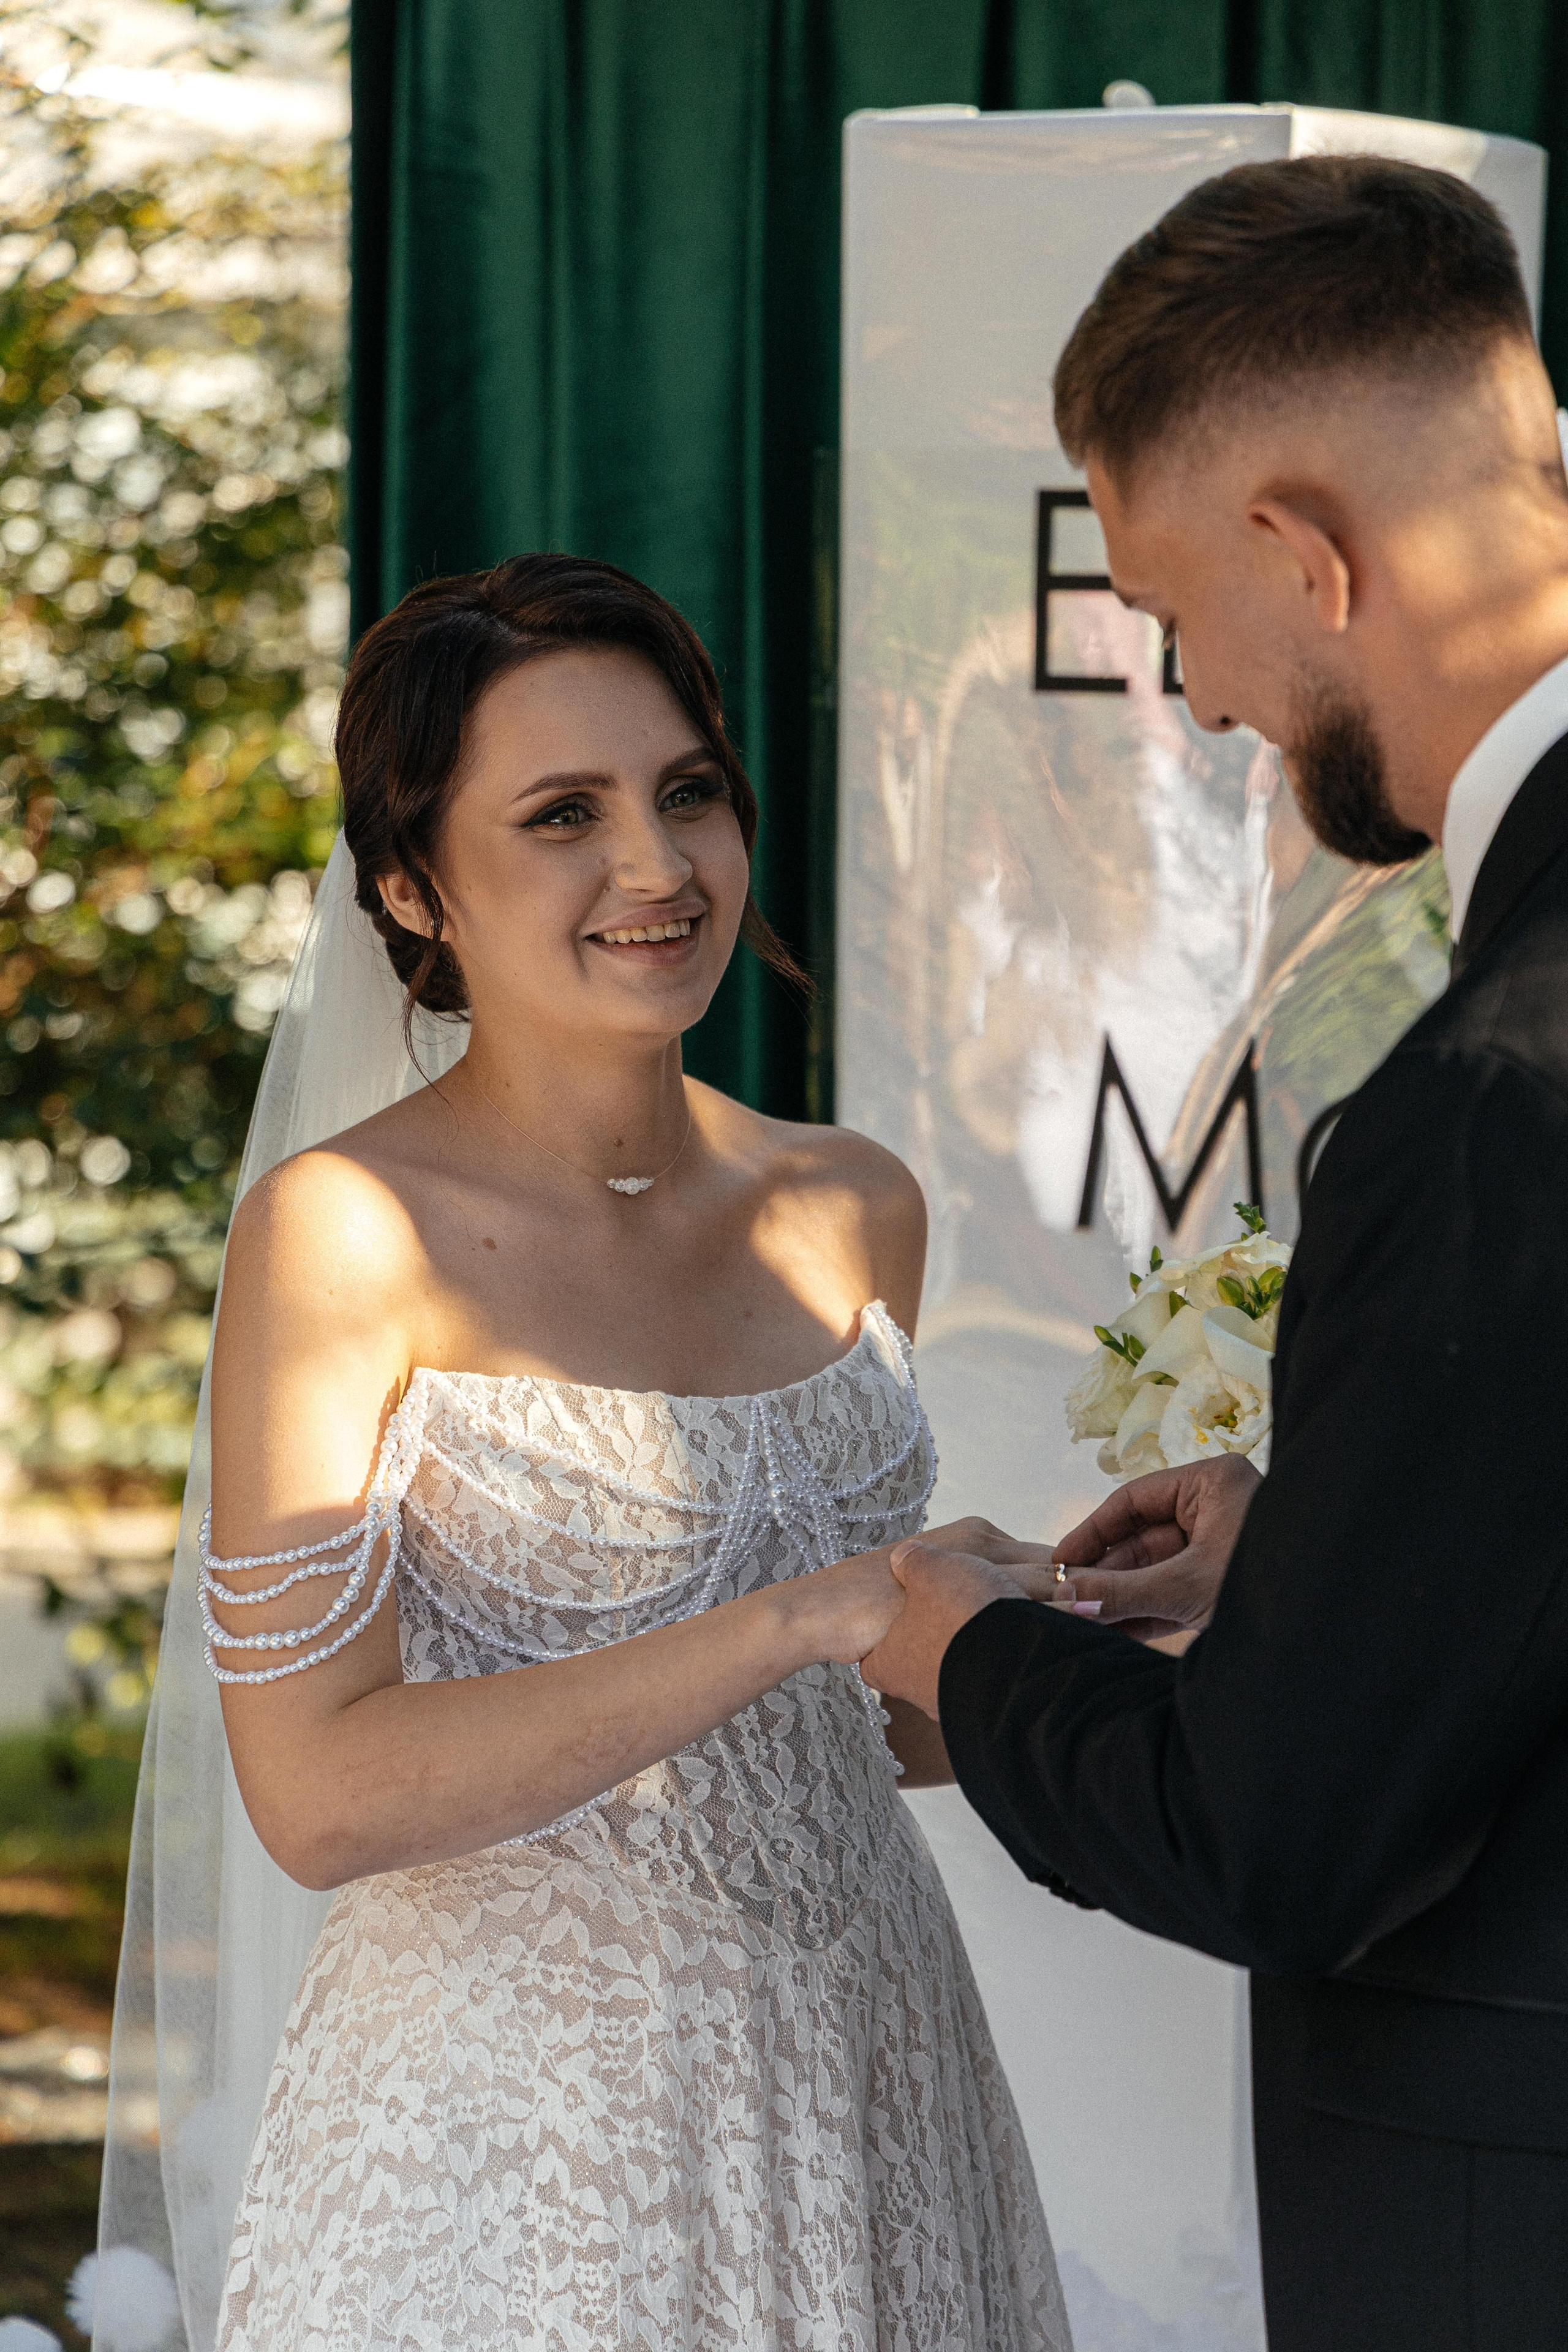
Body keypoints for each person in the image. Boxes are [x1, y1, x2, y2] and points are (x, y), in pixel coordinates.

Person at [190, 553, 1066, 2350]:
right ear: (416, 888)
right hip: (522, 2149)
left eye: (685, 794)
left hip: (870, 2081)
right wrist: (788, 1618)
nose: (657, 869)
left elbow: (847, 1734)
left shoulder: (852, 1201)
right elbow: (320, 1794)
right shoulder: (345, 1232)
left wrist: (1025, 1617)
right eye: (563, 816)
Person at [861, 156, 1568, 2352]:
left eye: (1174, 611)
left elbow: (1277, 1837)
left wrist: (955, 1643)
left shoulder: (1500, 1087)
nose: (1194, 697)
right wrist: (1341, 1554)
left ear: (1306, 554)